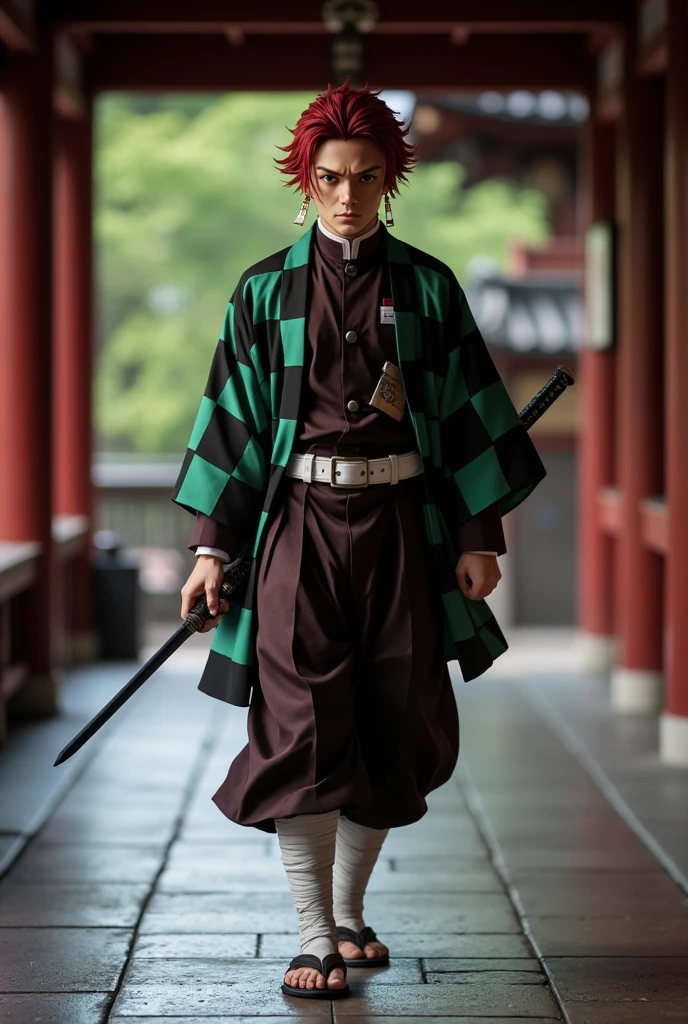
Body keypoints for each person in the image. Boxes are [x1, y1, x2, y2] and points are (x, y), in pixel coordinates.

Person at [172, 83, 546, 1000]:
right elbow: (231, 422)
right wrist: (213, 550)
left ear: (390, 180)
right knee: (300, 725)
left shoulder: (428, 287)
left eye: (366, 177)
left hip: (402, 528)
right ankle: (313, 935)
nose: (348, 196)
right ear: (306, 178)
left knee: (394, 714)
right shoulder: (263, 290)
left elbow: (466, 413)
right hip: (296, 529)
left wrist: (477, 534)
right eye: (331, 177)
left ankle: (347, 913)